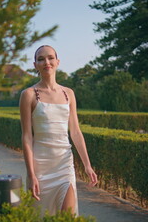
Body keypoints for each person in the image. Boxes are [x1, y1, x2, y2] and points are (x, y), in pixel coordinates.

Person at [19, 45, 98, 216]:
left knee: (67, 217)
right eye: (41, 59)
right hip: (40, 166)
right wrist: (31, 174)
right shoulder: (28, 95)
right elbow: (26, 137)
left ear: (57, 61)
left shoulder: (69, 93)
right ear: (35, 65)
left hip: (64, 165)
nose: (46, 62)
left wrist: (87, 165)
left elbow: (75, 132)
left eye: (50, 57)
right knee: (39, 216)